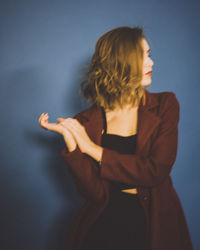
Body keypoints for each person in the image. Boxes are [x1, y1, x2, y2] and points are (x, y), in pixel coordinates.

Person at [38, 26, 193, 250]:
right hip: (103, 226)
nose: (150, 63)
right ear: (119, 63)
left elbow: (155, 171)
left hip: (153, 225)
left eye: (149, 54)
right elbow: (94, 194)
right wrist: (72, 143)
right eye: (141, 56)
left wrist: (91, 148)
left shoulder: (165, 105)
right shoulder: (86, 120)